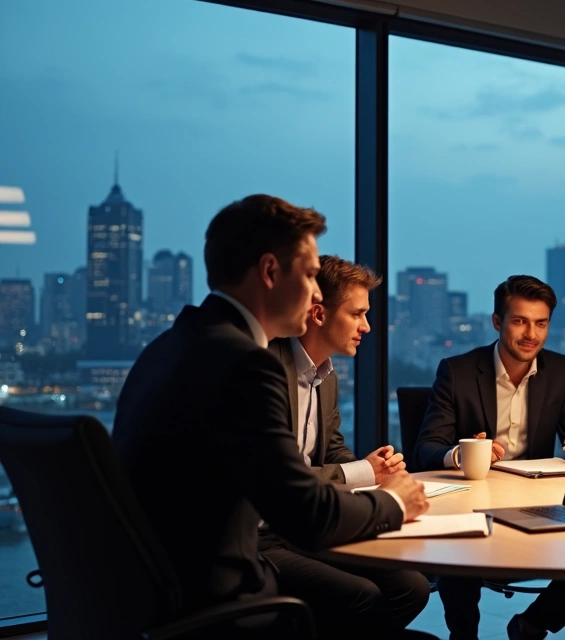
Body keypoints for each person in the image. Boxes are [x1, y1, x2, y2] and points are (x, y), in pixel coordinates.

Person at [112, 195, 430, 633]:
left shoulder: (172, 345)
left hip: (152, 590)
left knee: (403, 588)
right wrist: (395, 500)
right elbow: (305, 515)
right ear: (269, 272)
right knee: (374, 604)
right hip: (220, 593)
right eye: (312, 275)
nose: (318, 293)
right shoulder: (246, 363)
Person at [414, 275, 565, 640]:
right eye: (519, 321)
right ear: (497, 322)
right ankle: (464, 636)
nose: (531, 333)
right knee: (460, 547)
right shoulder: (458, 371)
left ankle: (533, 623)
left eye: (541, 323)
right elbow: (426, 448)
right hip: (472, 505)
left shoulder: (558, 370)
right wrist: (463, 454)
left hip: (536, 506)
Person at [261, 255, 430, 636]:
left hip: (307, 522)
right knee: (361, 596)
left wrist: (374, 469)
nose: (367, 327)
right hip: (264, 534)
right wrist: (363, 472)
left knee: (413, 587)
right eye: (357, 314)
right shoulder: (269, 369)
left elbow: (333, 448)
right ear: (319, 314)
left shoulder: (326, 375)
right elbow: (283, 479)